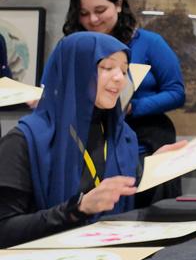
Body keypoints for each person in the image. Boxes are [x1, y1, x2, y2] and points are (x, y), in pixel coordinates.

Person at [0, 33, 186, 248]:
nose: (120, 78)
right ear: (75, 72)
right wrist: (77, 209)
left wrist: (152, 174)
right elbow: (4, 229)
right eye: (107, 67)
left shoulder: (123, 136)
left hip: (114, 257)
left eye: (124, 70)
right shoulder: (24, 140)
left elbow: (125, 207)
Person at [62, 0, 186, 207]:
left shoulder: (149, 42)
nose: (93, 20)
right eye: (84, 14)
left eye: (100, 11)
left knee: (145, 207)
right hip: (89, 140)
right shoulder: (73, 47)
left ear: (118, 5)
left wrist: (133, 106)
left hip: (144, 139)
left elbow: (176, 92)